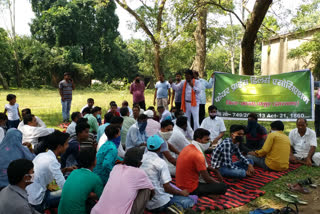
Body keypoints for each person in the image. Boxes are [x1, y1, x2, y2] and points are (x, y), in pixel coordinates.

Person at [140, 135, 195, 212]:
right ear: (160, 147)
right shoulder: (160, 162)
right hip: (160, 202)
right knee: (190, 200)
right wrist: (181, 193)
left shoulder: (140, 159)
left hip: (145, 202)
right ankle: (173, 208)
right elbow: (167, 187)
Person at [91, 147, 154, 214]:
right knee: (147, 189)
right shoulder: (139, 173)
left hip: (96, 211)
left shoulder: (116, 168)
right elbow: (152, 191)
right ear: (140, 164)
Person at [26, 130, 76, 212]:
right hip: (38, 200)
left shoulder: (42, 155)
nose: (68, 146)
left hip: (30, 194)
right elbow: (64, 186)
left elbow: (52, 173)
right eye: (66, 144)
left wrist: (67, 169)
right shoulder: (52, 161)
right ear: (59, 147)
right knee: (73, 193)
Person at [176, 129, 227, 197]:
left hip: (180, 184)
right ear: (198, 140)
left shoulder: (188, 147)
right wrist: (218, 183)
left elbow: (205, 167)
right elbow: (206, 178)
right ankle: (207, 194)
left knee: (209, 173)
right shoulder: (198, 154)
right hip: (190, 188)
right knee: (223, 187)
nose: (208, 142)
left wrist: (215, 171)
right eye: (206, 140)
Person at [58, 147, 104, 214]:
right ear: (93, 162)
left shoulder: (74, 172)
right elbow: (101, 198)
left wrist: (87, 193)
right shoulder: (95, 178)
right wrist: (90, 194)